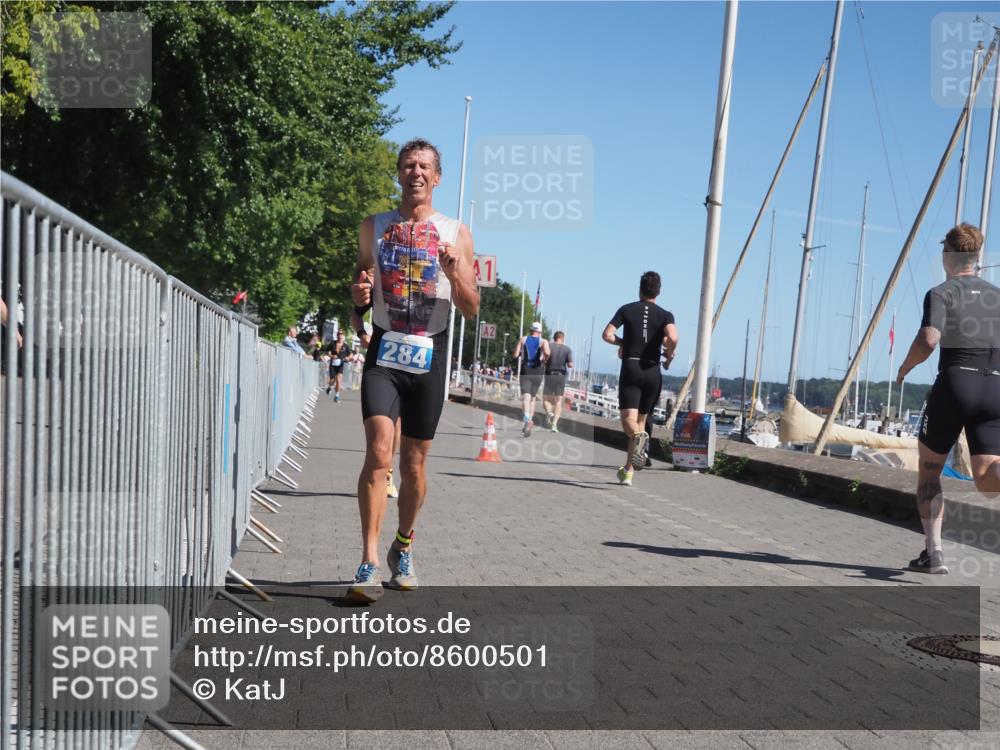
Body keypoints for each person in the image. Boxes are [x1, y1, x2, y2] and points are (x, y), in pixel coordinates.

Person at [348, 138, 478, 602]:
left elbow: (471, 306)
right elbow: (360, 280)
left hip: (430, 353)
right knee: (379, 452)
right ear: (399, 174)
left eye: (424, 166)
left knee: (414, 464)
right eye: (408, 165)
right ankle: (367, 562)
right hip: (385, 350)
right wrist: (358, 300)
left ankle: (402, 546)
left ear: (437, 178)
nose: (415, 172)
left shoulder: (456, 232)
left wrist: (455, 272)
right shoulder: (374, 226)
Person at [896, 223, 1000, 574]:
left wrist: (906, 366)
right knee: (986, 478)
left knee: (930, 471)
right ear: (976, 256)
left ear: (947, 256)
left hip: (956, 383)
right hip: (995, 387)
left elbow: (929, 339)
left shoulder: (942, 292)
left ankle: (933, 553)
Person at [603, 271, 678, 486]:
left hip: (632, 366)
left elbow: (607, 334)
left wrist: (623, 343)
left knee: (629, 421)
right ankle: (628, 472)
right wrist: (669, 352)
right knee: (641, 422)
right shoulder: (665, 315)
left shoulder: (626, 309)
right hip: (653, 370)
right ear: (659, 291)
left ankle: (638, 442)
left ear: (640, 289)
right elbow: (673, 337)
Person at [512, 322, 550, 436]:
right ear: (540, 331)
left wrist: (518, 352)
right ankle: (529, 421)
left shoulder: (523, 339)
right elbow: (547, 352)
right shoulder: (543, 341)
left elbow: (515, 355)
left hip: (526, 370)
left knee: (526, 397)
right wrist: (544, 359)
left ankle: (527, 420)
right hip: (538, 371)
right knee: (533, 398)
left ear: (531, 330)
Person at [542, 331, 574, 432]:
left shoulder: (548, 346)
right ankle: (554, 425)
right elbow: (570, 365)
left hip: (549, 374)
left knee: (546, 399)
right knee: (558, 401)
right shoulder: (567, 349)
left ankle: (549, 413)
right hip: (561, 376)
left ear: (554, 337)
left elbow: (543, 359)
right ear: (562, 338)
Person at [326, 330, 352, 402]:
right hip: (333, 364)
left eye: (342, 335)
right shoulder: (332, 344)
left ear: (343, 337)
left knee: (338, 380)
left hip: (341, 364)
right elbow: (327, 351)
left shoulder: (346, 346)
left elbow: (350, 354)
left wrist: (348, 358)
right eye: (339, 335)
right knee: (332, 380)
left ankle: (337, 395)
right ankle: (330, 387)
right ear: (337, 336)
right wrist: (331, 355)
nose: (340, 336)